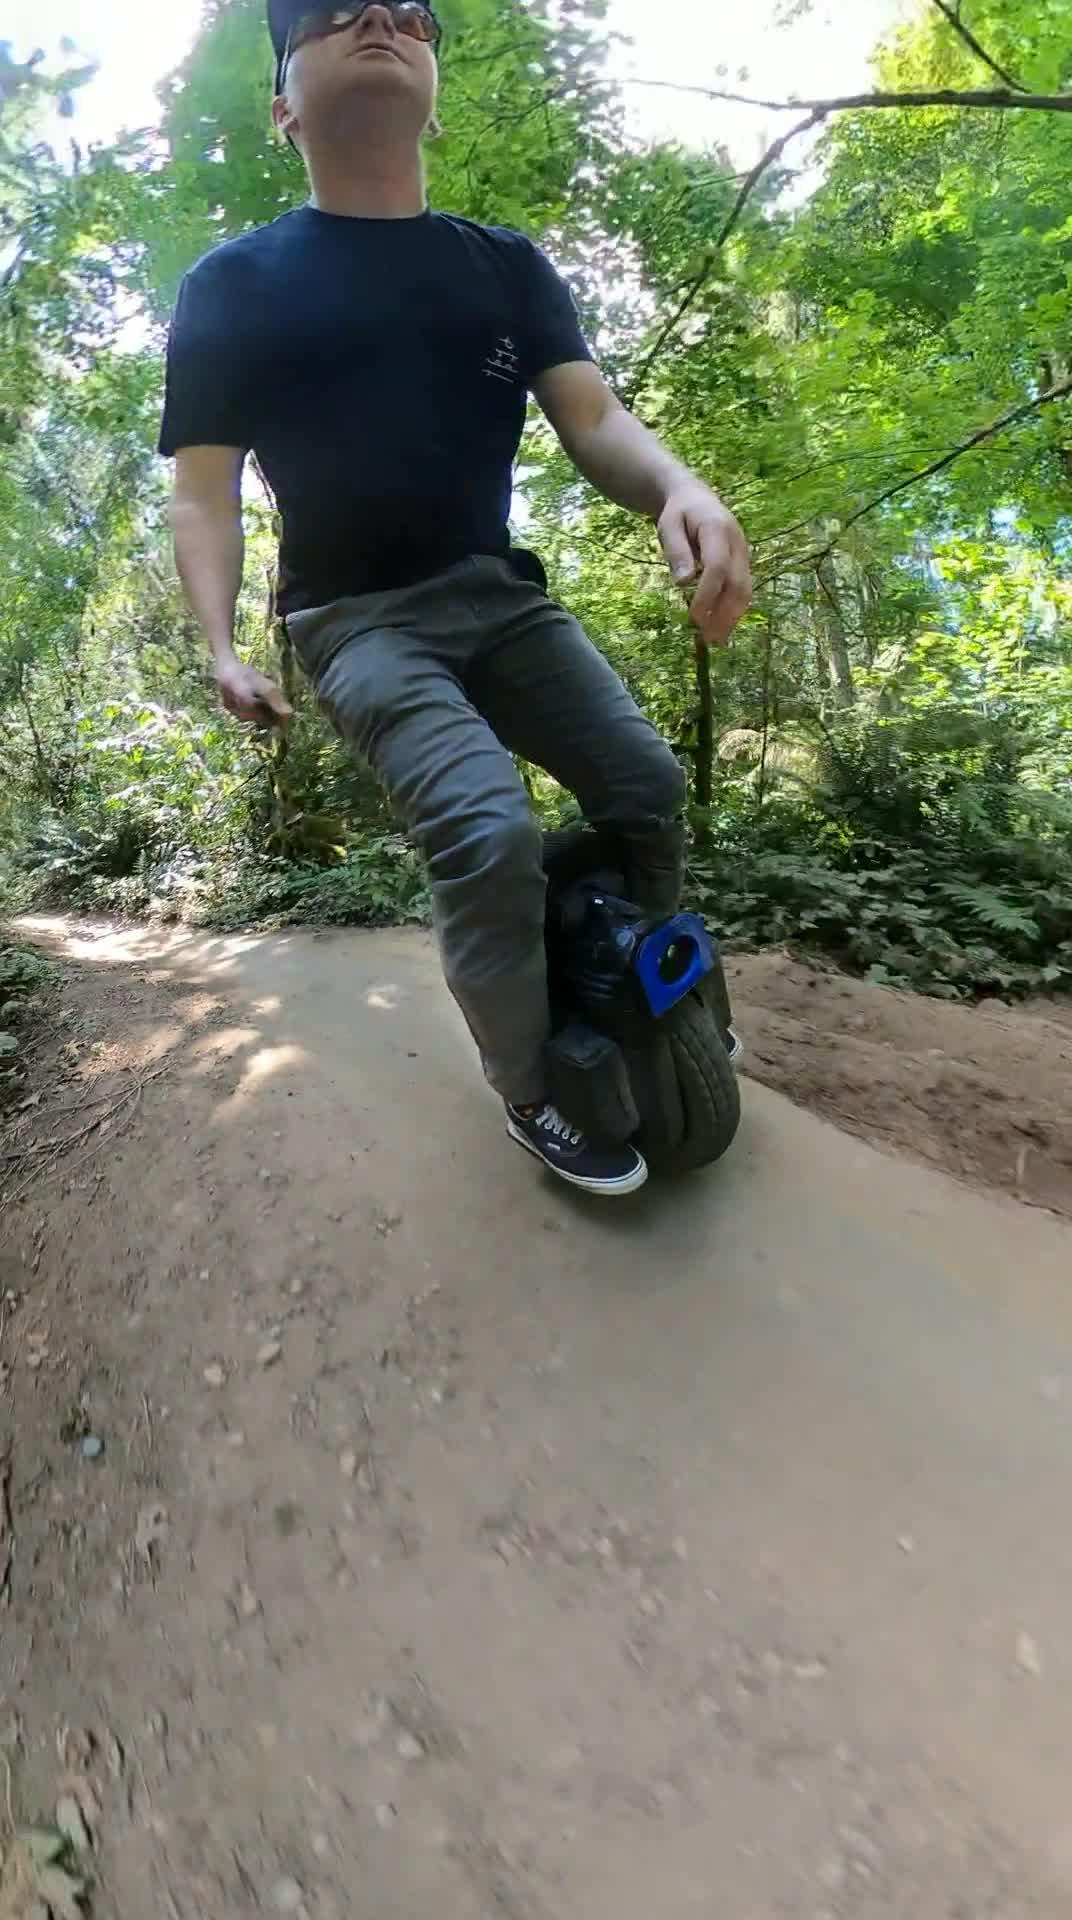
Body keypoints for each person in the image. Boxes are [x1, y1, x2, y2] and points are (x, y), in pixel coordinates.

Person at [160, 0, 752, 1198]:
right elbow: (204, 495)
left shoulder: (505, 266)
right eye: (333, 13)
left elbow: (594, 420)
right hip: (355, 622)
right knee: (489, 833)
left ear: (431, 72)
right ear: (284, 105)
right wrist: (219, 643)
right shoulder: (232, 285)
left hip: (501, 598)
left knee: (644, 786)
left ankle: (655, 989)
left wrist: (680, 489)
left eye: (409, 14)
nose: (378, 17)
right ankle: (537, 1084)